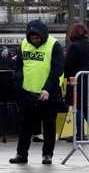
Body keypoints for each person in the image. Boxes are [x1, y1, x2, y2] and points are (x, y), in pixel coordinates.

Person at [10, 20, 64, 165]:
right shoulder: (24, 44)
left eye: (37, 38)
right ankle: (21, 154)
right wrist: (18, 91)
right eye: (32, 38)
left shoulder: (54, 45)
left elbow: (57, 69)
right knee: (26, 125)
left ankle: (47, 154)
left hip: (49, 93)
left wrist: (47, 88)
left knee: (49, 125)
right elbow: (19, 68)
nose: (35, 41)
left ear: (44, 35)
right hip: (29, 93)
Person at [64, 23, 89, 141]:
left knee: (77, 107)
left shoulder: (75, 46)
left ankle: (79, 134)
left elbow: (68, 64)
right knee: (84, 107)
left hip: (77, 80)